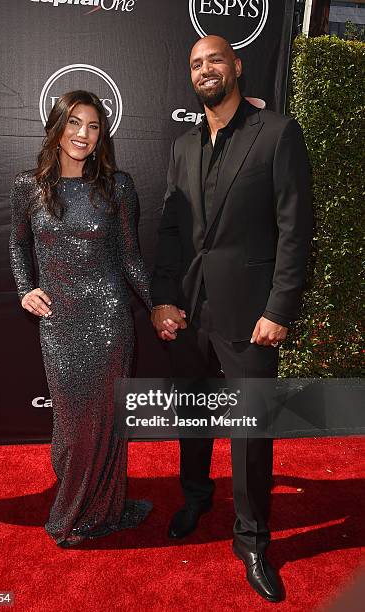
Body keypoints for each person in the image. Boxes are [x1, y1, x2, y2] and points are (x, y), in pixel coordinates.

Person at [150, 36, 313, 602]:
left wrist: (279, 308)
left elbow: (296, 229)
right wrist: (164, 298)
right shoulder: (183, 145)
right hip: (191, 308)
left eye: (214, 59)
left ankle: (252, 539)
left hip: (252, 314)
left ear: (237, 65)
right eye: (195, 63)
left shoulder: (277, 134)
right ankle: (195, 496)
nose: (205, 69)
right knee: (192, 414)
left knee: (251, 434)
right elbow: (171, 231)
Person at [9, 90, 153, 548]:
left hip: (110, 320)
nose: (83, 135)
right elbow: (17, 244)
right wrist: (24, 288)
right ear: (57, 128)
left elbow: (130, 257)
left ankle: (100, 509)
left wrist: (158, 305)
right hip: (60, 323)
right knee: (71, 428)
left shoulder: (118, 186)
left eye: (93, 127)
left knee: (108, 422)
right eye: (74, 123)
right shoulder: (27, 187)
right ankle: (79, 502)